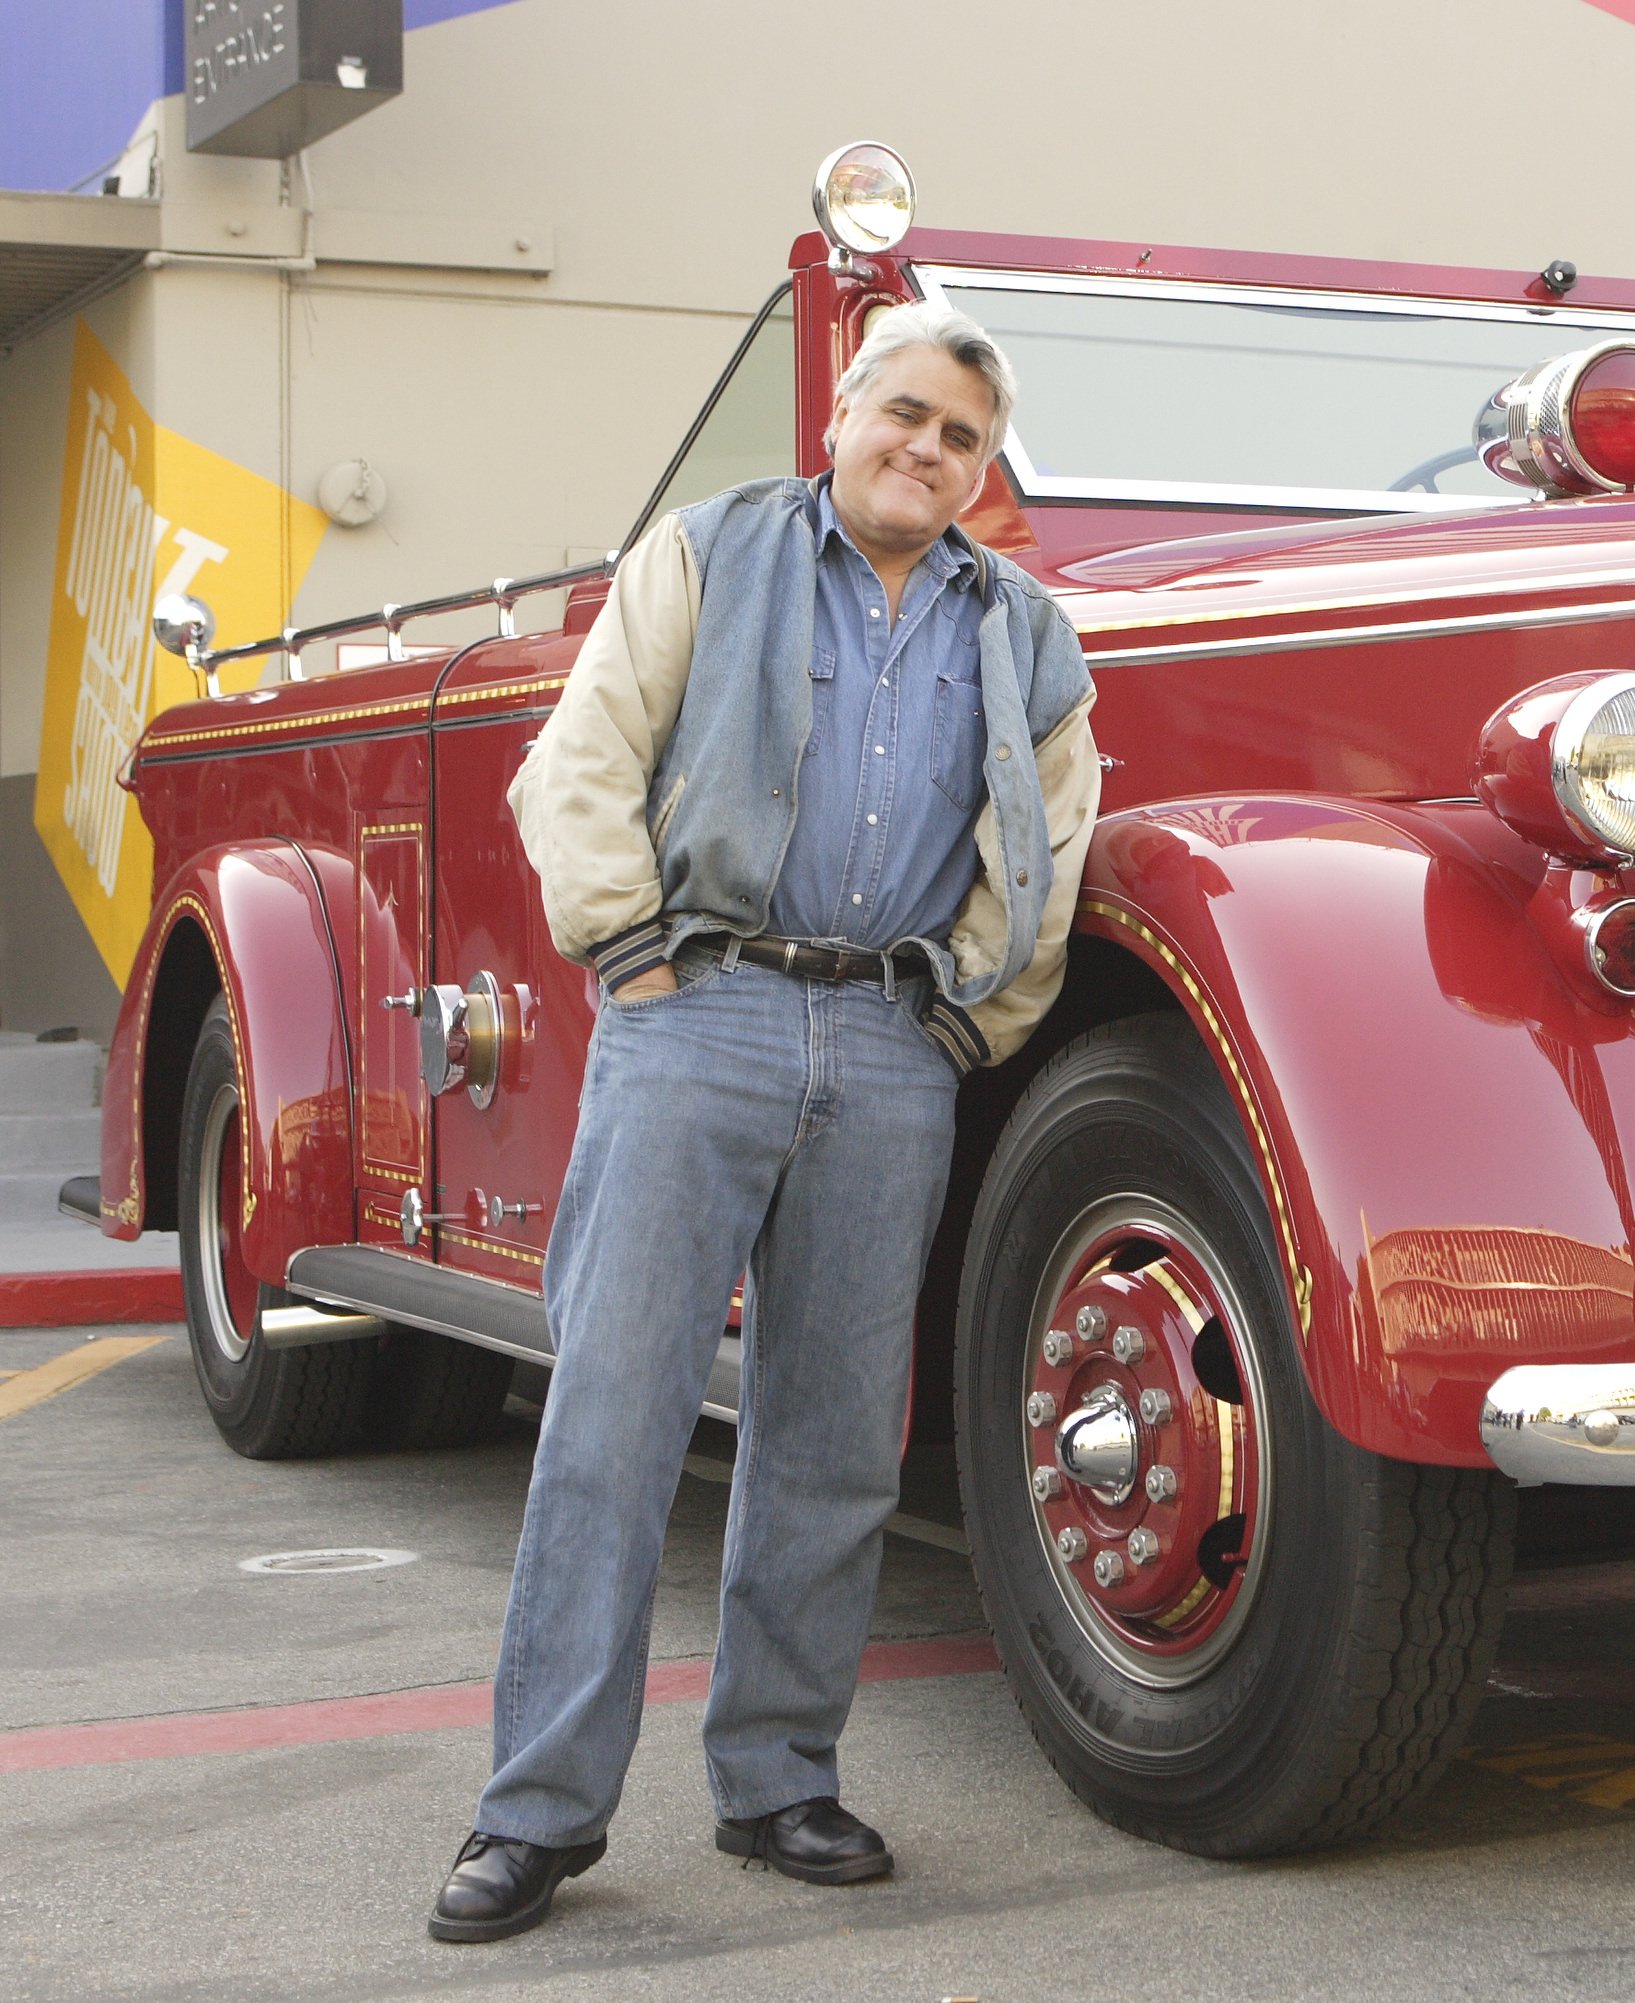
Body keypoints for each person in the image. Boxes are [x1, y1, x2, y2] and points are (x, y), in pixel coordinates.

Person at [428, 301, 1099, 1943]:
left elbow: (1056, 839)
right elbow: (578, 762)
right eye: (907, 415)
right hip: (699, 1015)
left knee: (832, 1442)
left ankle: (780, 1778)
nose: (926, 451)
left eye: (962, 440)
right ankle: (537, 1813)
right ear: (844, 414)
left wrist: (967, 1017)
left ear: (981, 473)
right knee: (611, 1422)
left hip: (890, 1044)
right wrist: (633, 953)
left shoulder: (1024, 629)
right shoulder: (709, 552)